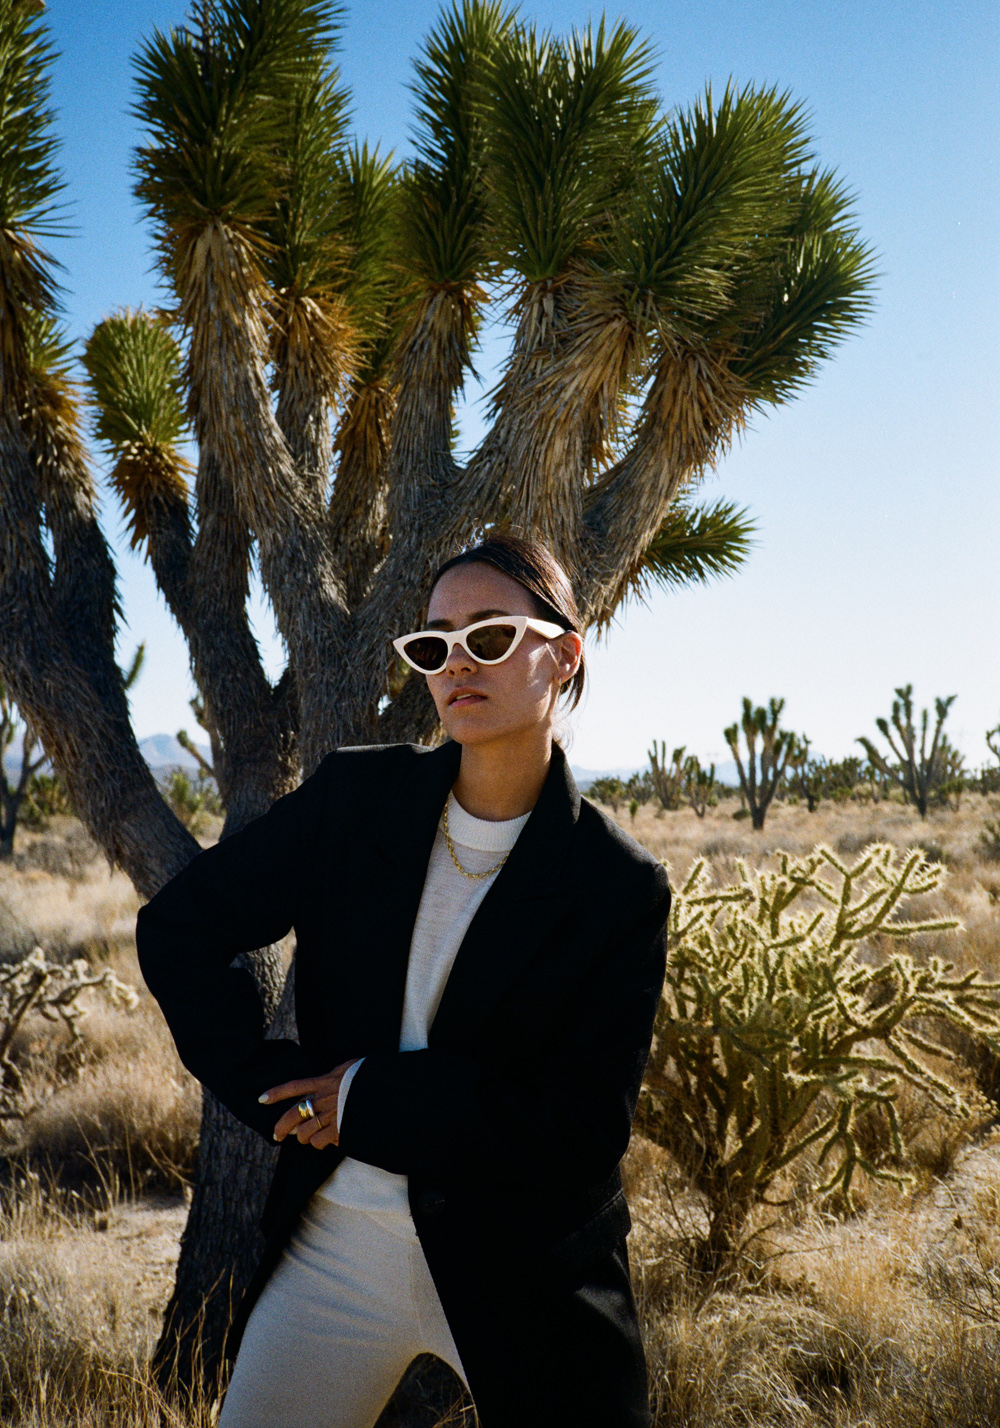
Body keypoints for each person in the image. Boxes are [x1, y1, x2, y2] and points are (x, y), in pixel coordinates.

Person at [137, 535, 671, 1428]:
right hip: (340, 1243)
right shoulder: (357, 804)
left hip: (526, 1260)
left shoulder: (615, 883)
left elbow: (582, 1129)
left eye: (490, 637)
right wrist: (264, 1086)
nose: (456, 662)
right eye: (433, 645)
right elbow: (178, 930)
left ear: (566, 652)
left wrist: (371, 1097)